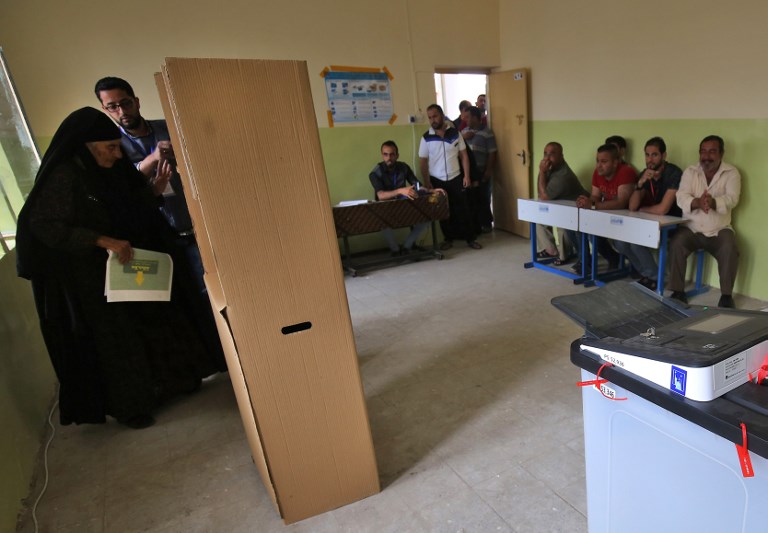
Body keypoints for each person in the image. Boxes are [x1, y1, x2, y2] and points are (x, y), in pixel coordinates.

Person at [16, 108, 221, 429]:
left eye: (117, 147)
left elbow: (128, 205)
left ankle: (178, 382)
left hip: (134, 264)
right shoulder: (66, 175)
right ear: (85, 146)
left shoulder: (114, 168)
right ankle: (133, 405)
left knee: (158, 323)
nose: (116, 154)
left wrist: (153, 191)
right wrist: (100, 240)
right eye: (108, 148)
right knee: (118, 341)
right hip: (94, 277)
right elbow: (43, 225)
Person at [95, 76, 225, 363]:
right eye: (112, 107)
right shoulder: (112, 146)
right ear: (105, 109)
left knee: (212, 293)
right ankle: (206, 358)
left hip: (194, 226)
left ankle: (226, 352)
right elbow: (120, 189)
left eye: (125, 103)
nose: (122, 112)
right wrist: (150, 161)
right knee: (178, 300)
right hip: (156, 237)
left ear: (136, 101)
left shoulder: (168, 129)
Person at [668, 135, 741, 308]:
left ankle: (726, 296)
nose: (706, 156)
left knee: (730, 247)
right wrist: (697, 202)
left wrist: (713, 202)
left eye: (712, 151)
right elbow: (681, 196)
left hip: (719, 228)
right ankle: (678, 292)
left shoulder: (732, 173)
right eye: (703, 151)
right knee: (676, 243)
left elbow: (733, 198)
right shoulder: (690, 171)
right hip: (691, 228)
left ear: (721, 153)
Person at [612, 137, 682, 291]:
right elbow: (632, 206)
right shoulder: (645, 174)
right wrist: (639, 184)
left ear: (664, 156)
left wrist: (643, 210)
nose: (650, 159)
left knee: (636, 242)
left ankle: (657, 278)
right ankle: (647, 274)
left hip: (672, 224)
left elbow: (663, 209)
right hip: (648, 222)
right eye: (647, 155)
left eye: (654, 155)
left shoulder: (674, 173)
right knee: (620, 242)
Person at [419, 104, 481, 250]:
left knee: (464, 209)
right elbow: (423, 161)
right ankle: (448, 239)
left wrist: (466, 176)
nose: (432, 120)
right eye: (429, 117)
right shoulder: (426, 138)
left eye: (435, 116)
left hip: (456, 177)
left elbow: (464, 155)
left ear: (441, 115)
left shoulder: (455, 133)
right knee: (443, 211)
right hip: (436, 180)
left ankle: (470, 239)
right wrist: (427, 181)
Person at [369, 140, 441, 255]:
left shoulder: (404, 167)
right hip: (385, 209)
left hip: (404, 207)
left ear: (397, 155)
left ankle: (407, 246)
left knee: (428, 214)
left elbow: (417, 185)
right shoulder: (375, 173)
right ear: (382, 155)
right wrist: (400, 191)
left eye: (392, 154)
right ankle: (395, 250)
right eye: (385, 154)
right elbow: (381, 195)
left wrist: (431, 190)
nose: (389, 157)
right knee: (382, 222)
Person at [575, 144, 637, 273]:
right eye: (597, 161)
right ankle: (613, 258)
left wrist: (592, 205)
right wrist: (585, 201)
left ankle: (636, 266)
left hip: (630, 218)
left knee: (621, 242)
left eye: (604, 162)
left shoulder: (626, 172)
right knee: (590, 233)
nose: (599, 165)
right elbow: (595, 196)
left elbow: (621, 203)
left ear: (615, 162)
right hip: (608, 215)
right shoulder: (598, 173)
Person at [536, 142, 589, 264]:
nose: (547, 157)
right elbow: (540, 193)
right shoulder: (550, 169)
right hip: (560, 205)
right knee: (537, 217)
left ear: (562, 156)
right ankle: (550, 250)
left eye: (552, 154)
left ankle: (566, 255)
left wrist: (542, 172)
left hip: (578, 209)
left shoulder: (563, 176)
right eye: (545, 153)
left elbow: (544, 196)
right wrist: (543, 172)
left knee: (563, 223)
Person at [464, 106, 497, 233]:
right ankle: (475, 225)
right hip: (468, 172)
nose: (465, 120)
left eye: (468, 117)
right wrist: (464, 137)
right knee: (472, 199)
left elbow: (492, 153)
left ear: (475, 117)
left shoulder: (487, 132)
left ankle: (486, 224)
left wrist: (488, 171)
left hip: (481, 170)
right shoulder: (464, 132)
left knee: (483, 198)